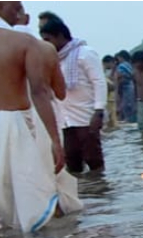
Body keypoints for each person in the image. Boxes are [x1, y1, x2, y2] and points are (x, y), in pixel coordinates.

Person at [0, 1, 81, 235]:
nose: (19, 12)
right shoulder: (25, 43)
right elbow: (41, 92)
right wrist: (55, 142)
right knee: (34, 193)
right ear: (0, 5)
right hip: (16, 124)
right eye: (15, 6)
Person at [39, 13, 107, 173]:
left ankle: (100, 191)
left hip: (85, 116)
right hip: (65, 119)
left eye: (48, 39)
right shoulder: (52, 58)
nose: (45, 44)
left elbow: (99, 82)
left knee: (93, 159)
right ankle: (83, 194)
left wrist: (98, 111)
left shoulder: (85, 53)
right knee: (72, 161)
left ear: (60, 36)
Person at [115, 50, 136, 123]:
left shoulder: (122, 65)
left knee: (126, 104)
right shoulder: (129, 65)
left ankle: (128, 119)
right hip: (130, 85)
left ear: (121, 57)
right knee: (129, 104)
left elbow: (119, 76)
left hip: (126, 86)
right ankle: (130, 119)